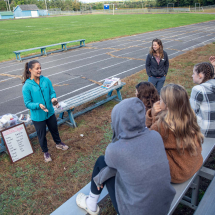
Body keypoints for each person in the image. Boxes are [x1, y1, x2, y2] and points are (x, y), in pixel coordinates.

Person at [76, 97, 176, 215]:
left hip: (135, 212)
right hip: (163, 206)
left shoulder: (115, 150)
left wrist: (101, 177)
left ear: (118, 121)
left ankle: (91, 203)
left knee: (101, 162)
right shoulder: (155, 136)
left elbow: (111, 164)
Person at [146, 84, 203, 183]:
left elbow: (148, 141)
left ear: (167, 105)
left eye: (161, 99)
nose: (159, 102)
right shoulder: (189, 115)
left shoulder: (162, 126)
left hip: (178, 174)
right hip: (193, 164)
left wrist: (153, 115)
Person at [22, 60, 69, 162]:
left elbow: (52, 92)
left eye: (40, 68)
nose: (40, 70)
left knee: (54, 129)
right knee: (42, 135)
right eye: (37, 68)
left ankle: (58, 143)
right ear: (30, 70)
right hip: (38, 117)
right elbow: (27, 103)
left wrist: (53, 99)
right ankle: (46, 152)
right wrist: (38, 105)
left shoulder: (46, 80)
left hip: (50, 113)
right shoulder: (27, 86)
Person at [190, 62, 215, 138]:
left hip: (205, 132)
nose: (192, 75)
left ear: (200, 75)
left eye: (194, 73)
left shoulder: (198, 90)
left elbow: (192, 113)